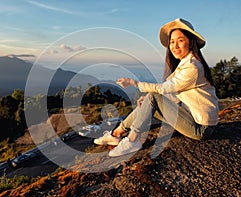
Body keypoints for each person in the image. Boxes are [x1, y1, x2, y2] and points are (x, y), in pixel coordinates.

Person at [94, 18, 219, 157]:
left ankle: (133, 140)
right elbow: (174, 92)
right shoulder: (186, 63)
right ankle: (116, 134)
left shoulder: (193, 67)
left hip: (201, 128)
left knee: (153, 96)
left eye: (180, 40)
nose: (175, 46)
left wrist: (134, 83)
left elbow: (163, 89)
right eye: (172, 42)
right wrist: (148, 101)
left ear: (191, 42)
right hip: (192, 118)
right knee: (149, 99)